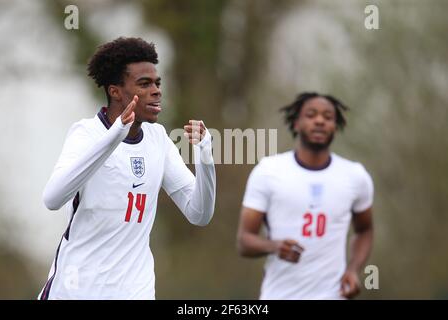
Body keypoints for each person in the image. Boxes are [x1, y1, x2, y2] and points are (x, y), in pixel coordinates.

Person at [39, 37, 216, 300]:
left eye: (157, 83)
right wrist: (115, 134)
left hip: (136, 291)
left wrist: (205, 156)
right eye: (144, 84)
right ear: (115, 91)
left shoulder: (158, 139)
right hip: (78, 289)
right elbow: (52, 199)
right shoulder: (86, 133)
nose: (156, 90)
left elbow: (199, 214)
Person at [237, 92, 374, 299]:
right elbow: (244, 241)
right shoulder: (268, 171)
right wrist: (275, 246)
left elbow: (365, 229)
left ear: (335, 127)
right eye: (311, 115)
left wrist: (353, 269)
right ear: (296, 124)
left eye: (328, 117)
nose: (319, 120)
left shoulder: (355, 176)